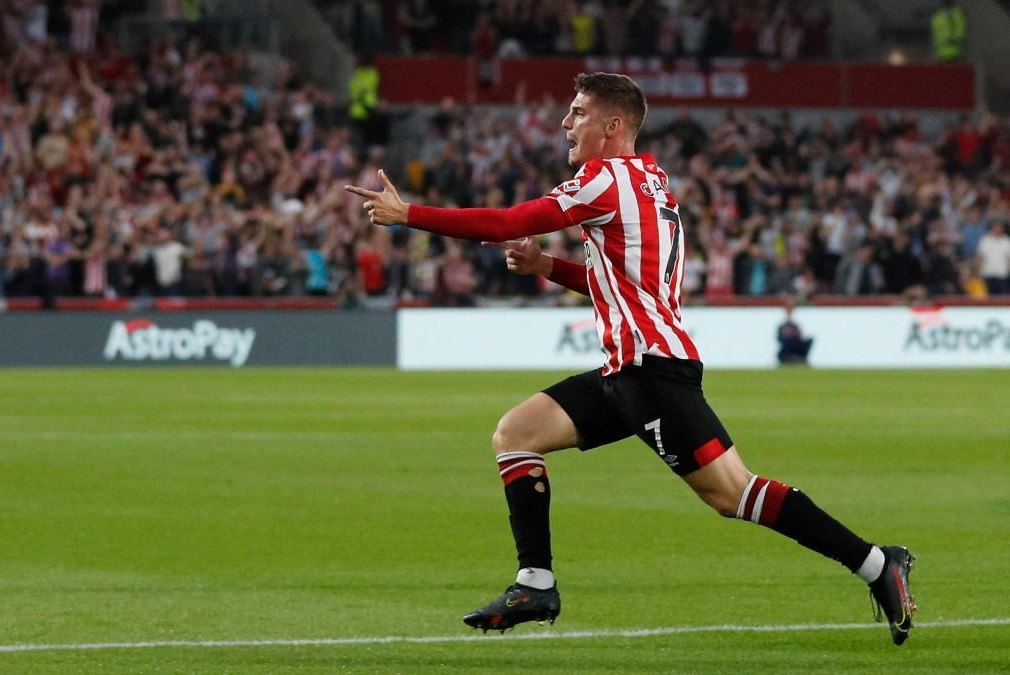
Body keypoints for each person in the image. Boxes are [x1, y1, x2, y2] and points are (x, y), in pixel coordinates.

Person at [345, 72, 916, 645]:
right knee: (516, 434)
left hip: (653, 373)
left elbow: (508, 223)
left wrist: (409, 214)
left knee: (732, 493)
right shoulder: (652, 184)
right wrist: (548, 269)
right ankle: (535, 582)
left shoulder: (602, 180)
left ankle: (875, 563)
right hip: (628, 370)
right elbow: (619, 282)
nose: (566, 124)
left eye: (577, 113)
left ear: (612, 126)